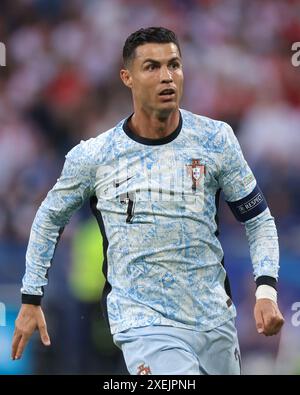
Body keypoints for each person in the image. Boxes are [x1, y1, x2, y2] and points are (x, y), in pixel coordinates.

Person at [11, 27, 284, 375]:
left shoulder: (216, 140)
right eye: (152, 67)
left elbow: (258, 219)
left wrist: (266, 290)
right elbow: (49, 218)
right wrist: (31, 297)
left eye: (174, 65)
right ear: (127, 77)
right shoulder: (95, 156)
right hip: (142, 322)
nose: (167, 76)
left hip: (214, 320)